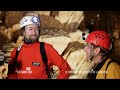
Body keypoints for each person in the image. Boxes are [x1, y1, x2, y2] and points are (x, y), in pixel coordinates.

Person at [7, 15, 71, 79]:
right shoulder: (16, 51)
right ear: (23, 32)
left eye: (36, 29)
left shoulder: (46, 48)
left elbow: (65, 68)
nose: (34, 32)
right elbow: (11, 74)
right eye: (30, 29)